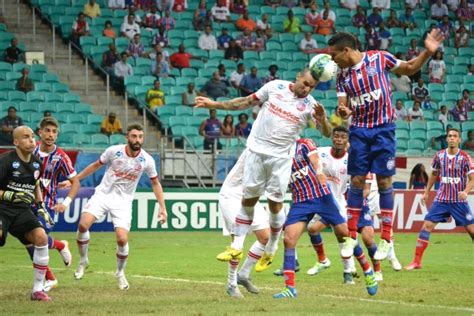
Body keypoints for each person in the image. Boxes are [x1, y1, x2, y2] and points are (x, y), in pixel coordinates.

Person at [195, 67, 349, 274]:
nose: (307, 89)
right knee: (247, 199)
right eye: (305, 84)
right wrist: (215, 104)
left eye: (312, 87)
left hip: (281, 159)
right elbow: (245, 102)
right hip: (256, 152)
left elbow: (328, 132)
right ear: (298, 76)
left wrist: (322, 119)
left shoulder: (311, 106)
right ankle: (236, 247)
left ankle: (272, 247)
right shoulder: (274, 87)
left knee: (275, 205)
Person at [329, 29, 445, 261]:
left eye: (334, 55)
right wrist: (343, 111)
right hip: (360, 130)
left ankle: (387, 238)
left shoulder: (379, 58)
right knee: (357, 180)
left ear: (346, 50)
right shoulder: (341, 75)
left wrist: (428, 52)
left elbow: (410, 68)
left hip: (384, 129)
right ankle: (352, 235)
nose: (332, 60)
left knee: (383, 181)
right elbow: (343, 107)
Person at [272, 138, 378, 299]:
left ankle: (367, 270)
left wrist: (320, 173)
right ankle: (290, 288)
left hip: (322, 197)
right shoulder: (275, 153)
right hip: (301, 201)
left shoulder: (304, 144)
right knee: (288, 239)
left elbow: (315, 160)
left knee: (345, 234)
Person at [73, 123, 167, 290]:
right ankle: (83, 260)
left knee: (122, 239)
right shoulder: (113, 151)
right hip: (103, 194)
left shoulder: (147, 160)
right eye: (133, 136)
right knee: (82, 225)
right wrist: (76, 180)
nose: (137, 140)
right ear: (127, 137)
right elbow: (96, 165)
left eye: (140, 137)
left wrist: (162, 207)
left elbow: (155, 183)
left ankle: (119, 272)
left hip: (123, 201)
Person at [405, 129, 474, 270]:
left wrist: (466, 191)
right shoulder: (439, 156)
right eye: (450, 136)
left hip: (458, 202)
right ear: (447, 139)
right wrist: (426, 192)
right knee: (426, 227)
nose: (452, 139)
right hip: (441, 200)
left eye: (455, 136)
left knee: (472, 231)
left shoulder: (465, 157)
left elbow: (472, 178)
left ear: (459, 140)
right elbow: (434, 175)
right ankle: (417, 262)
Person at [0, 126, 51, 301]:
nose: (31, 140)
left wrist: (41, 205)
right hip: (2, 208)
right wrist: (10, 195)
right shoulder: (5, 161)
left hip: (22, 210)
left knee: (41, 237)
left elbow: (35, 185)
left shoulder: (37, 162)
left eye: (32, 137)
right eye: (25, 137)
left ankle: (38, 290)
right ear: (16, 142)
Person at [31, 117, 80, 292]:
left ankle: (58, 251)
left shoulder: (60, 157)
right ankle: (51, 274)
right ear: (40, 132)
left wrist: (65, 203)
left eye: (54, 132)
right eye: (48, 131)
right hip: (27, 202)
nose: (51, 135)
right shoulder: (31, 149)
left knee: (37, 240)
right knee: (29, 241)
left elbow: (75, 182)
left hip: (47, 205)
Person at [218, 146, 270, 298]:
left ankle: (244, 274)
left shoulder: (276, 151)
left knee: (265, 237)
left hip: (250, 195)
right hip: (232, 194)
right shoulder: (255, 148)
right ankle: (231, 284)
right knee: (238, 241)